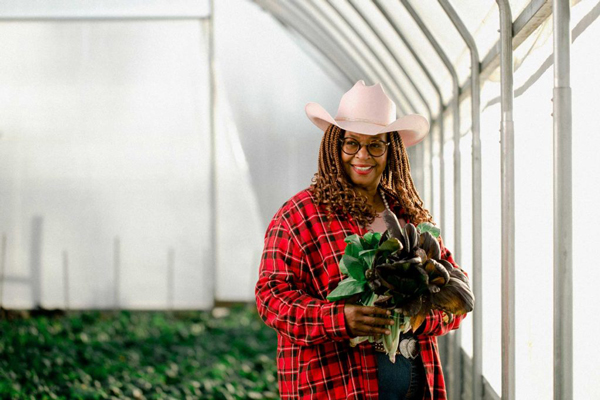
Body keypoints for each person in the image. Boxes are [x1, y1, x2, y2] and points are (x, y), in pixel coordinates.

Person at [255, 81, 468, 400]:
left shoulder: (408, 214)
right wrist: (340, 319)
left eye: (376, 145)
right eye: (351, 143)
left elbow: (456, 298)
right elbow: (271, 298)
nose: (363, 155)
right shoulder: (299, 216)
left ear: (391, 150)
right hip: (335, 387)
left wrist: (415, 318)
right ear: (334, 146)